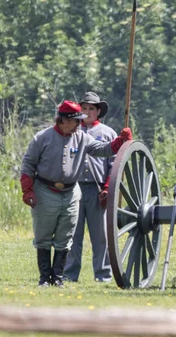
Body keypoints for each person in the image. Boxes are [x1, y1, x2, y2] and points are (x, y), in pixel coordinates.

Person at [20, 100, 132, 287]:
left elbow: (102, 150)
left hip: (72, 192)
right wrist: (27, 189)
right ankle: (44, 278)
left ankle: (57, 278)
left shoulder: (81, 137)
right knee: (44, 236)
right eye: (76, 120)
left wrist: (120, 142)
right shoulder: (42, 138)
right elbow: (28, 164)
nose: (80, 124)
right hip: (45, 191)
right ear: (64, 121)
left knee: (65, 237)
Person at [64, 92, 117, 283]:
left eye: (91, 109)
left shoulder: (108, 133)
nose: (87, 112)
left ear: (98, 111)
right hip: (74, 188)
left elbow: (114, 163)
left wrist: (107, 188)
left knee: (100, 235)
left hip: (97, 190)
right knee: (72, 234)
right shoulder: (71, 131)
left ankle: (102, 275)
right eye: (84, 108)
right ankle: (69, 275)